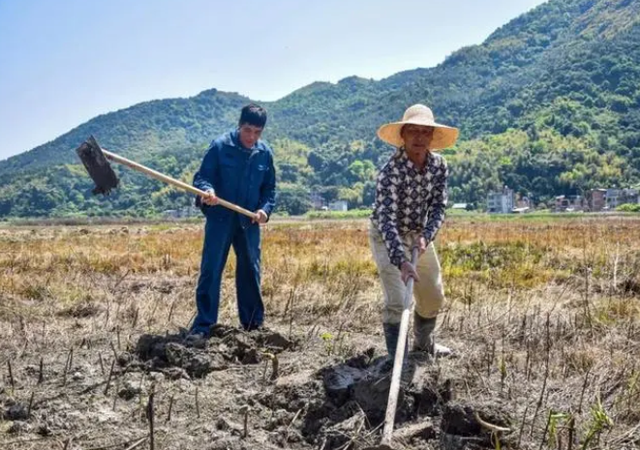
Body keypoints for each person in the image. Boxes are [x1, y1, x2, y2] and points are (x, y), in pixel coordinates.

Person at [369, 103, 458, 360]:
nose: (419, 137)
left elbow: (439, 206)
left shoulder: (439, 166)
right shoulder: (390, 172)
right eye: (413, 131)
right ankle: (398, 359)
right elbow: (385, 220)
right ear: (403, 135)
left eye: (425, 132)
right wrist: (401, 261)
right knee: (398, 300)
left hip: (419, 235)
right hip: (388, 237)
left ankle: (423, 346)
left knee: (432, 296)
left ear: (432, 137)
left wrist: (426, 236)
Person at [189, 103, 276, 337]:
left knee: (251, 270)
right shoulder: (220, 147)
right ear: (239, 126)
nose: (251, 137)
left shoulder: (264, 153)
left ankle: (252, 325)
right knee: (211, 269)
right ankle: (204, 325)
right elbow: (202, 178)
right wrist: (207, 192)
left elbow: (269, 190)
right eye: (248, 130)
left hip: (249, 221)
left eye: (257, 132)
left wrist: (265, 211)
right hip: (220, 218)